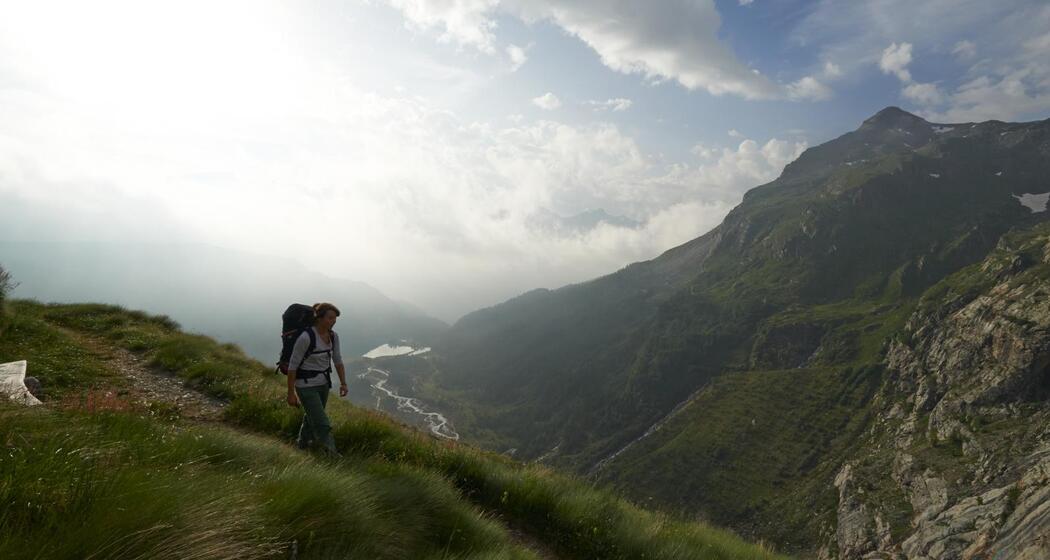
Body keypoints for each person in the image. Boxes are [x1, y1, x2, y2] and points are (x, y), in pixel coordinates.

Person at [286, 302, 348, 455]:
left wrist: (343, 383)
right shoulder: (306, 337)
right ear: (319, 318)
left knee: (311, 417)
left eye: (335, 319)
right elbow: (292, 367)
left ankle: (301, 445)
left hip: (323, 384)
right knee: (322, 422)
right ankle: (331, 455)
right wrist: (291, 393)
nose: (333, 321)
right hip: (305, 386)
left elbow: (338, 360)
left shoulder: (333, 336)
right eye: (330, 318)